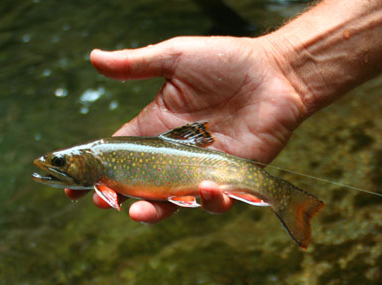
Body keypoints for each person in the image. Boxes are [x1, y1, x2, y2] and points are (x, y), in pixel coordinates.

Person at [65, 0, 382, 223]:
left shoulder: (103, 167)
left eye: (60, 161)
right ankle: (289, 200)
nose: (53, 165)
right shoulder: (102, 168)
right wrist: (283, 65)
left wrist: (283, 66)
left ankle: (288, 200)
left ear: (85, 162)